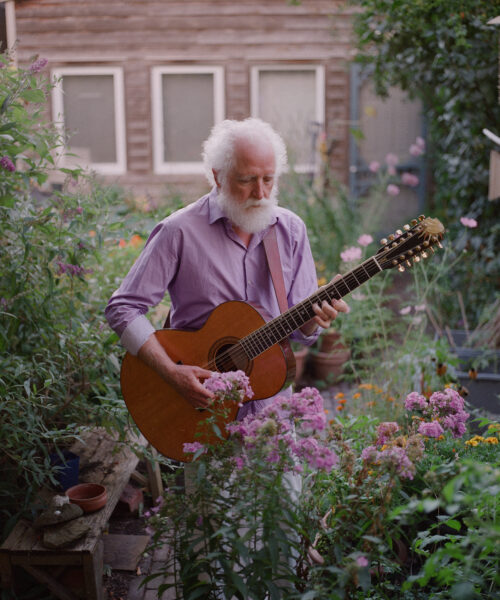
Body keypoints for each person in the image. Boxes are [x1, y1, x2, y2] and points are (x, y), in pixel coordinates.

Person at [105, 117, 349, 420]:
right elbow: (122, 307)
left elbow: (301, 333)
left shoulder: (291, 230)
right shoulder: (178, 231)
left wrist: (314, 320)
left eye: (269, 180)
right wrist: (170, 372)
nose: (261, 193)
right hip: (199, 410)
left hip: (272, 414)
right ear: (218, 176)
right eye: (247, 180)